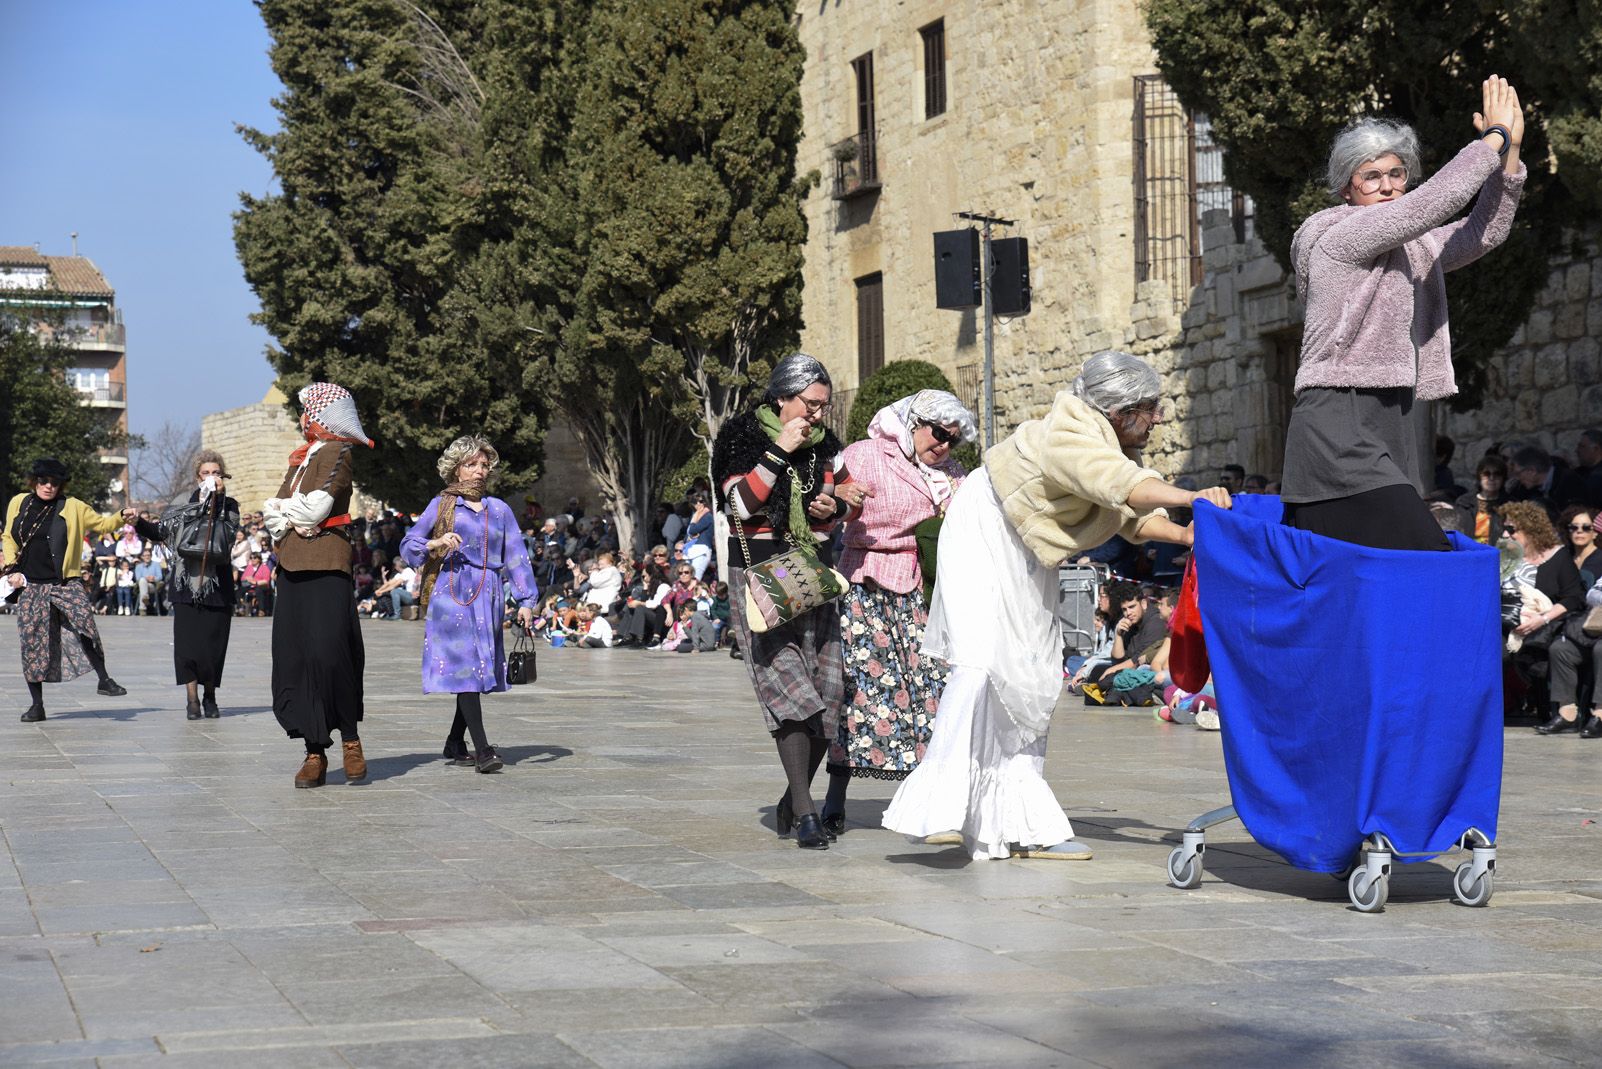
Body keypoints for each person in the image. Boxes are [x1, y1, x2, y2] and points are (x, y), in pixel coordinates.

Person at [882, 351, 1232, 861]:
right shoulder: (1068, 433)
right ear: (1121, 408)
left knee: (1034, 674)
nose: (1159, 418)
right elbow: (1118, 485)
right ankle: (941, 810)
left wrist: (1183, 533)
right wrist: (1192, 496)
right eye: (1150, 407)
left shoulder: (1107, 446)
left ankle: (1029, 826)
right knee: (980, 663)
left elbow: (1127, 514)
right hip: (986, 530)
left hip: (1028, 550)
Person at [1280, 78, 1526, 550]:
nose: (1388, 186)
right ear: (1345, 189)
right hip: (1337, 417)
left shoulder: (1411, 247)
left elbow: (1485, 231)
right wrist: (1491, 137)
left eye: (1396, 174)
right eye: (1370, 177)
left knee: (1378, 572)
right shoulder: (1333, 237)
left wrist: (1510, 151)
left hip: (1392, 415)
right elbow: (1433, 203)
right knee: (1424, 555)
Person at [712, 353, 860, 850]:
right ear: (782, 398)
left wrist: (832, 507)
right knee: (790, 689)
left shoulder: (826, 449)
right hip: (758, 574)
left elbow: (838, 504)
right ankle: (805, 814)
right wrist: (778, 450)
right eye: (810, 404)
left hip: (812, 575)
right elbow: (739, 507)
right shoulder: (741, 438)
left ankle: (791, 799)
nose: (818, 414)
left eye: (824, 405)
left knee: (828, 693)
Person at [822, 389, 976, 837]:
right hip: (864, 584)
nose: (945, 444)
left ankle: (926, 798)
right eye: (938, 433)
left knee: (931, 693)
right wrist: (842, 501)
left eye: (954, 438)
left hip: (921, 589)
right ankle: (835, 795)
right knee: (859, 693)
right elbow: (835, 505)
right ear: (914, 423)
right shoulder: (865, 454)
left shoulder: (950, 473)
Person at [399, 435, 540, 772]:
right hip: (452, 592)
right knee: (467, 670)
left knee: (477, 669)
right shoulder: (442, 504)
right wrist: (436, 541)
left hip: (489, 593)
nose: (480, 470)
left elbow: (517, 555)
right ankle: (484, 749)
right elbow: (409, 545)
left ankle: (454, 741)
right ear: (456, 469)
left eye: (483, 464)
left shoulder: (500, 509)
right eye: (471, 464)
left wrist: (525, 599)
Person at [265, 382, 373, 788]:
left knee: (331, 654)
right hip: (291, 567)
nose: (302, 417)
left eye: (307, 410)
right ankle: (314, 751)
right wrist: (289, 514)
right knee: (296, 659)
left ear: (320, 415)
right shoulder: (300, 458)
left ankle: (350, 740)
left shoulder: (338, 451)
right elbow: (271, 513)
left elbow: (318, 508)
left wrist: (288, 514)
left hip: (328, 565)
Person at [3, 458, 130, 722]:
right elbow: (8, 536)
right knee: (32, 643)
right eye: (43, 481)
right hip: (30, 584)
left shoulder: (73, 507)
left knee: (85, 626)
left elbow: (103, 525)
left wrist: (122, 516)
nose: (48, 486)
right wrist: (12, 567)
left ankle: (104, 680)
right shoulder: (19, 502)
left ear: (61, 485)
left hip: (64, 582)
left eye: (54, 482)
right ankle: (37, 705)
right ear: (34, 481)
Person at [128, 451, 242, 719]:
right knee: (188, 648)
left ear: (222, 476)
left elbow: (229, 534)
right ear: (197, 477)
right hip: (185, 583)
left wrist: (218, 499)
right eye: (206, 473)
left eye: (216, 473)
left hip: (218, 585)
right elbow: (160, 532)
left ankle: (210, 697)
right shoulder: (182, 503)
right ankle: (192, 700)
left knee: (214, 647)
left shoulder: (230, 505)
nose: (211, 478)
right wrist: (138, 523)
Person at [1501, 502, 1590, 736]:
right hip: (1505, 623)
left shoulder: (1557, 557)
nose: (1505, 534)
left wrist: (1541, 619)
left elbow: (1574, 598)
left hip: (1543, 625)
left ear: (1530, 529)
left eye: (1511, 529)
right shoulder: (1505, 556)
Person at [1454, 454, 1511, 545]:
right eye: (1486, 474)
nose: (1491, 478)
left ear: (1503, 478)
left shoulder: (1510, 504)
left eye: (1497, 474)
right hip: (1469, 553)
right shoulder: (1464, 503)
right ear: (1479, 476)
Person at [1559, 505, 1599, 588]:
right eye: (1574, 527)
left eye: (1586, 527)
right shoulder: (1562, 557)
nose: (1579, 531)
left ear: (1595, 533)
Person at [683, 492, 715, 580]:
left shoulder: (707, 516)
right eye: (694, 501)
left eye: (701, 501)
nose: (698, 504)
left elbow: (692, 530)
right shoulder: (695, 516)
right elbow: (688, 534)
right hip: (690, 551)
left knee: (694, 580)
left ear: (705, 502)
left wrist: (692, 524)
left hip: (702, 551)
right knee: (686, 580)